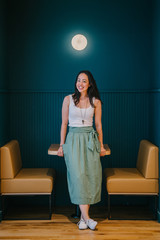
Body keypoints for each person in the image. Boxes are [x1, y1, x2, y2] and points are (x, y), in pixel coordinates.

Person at [57, 70, 106, 230]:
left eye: (84, 81)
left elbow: (98, 125)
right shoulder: (68, 99)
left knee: (90, 176)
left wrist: (101, 145)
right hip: (73, 139)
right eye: (78, 80)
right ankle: (88, 218)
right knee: (77, 177)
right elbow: (64, 123)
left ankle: (83, 220)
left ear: (90, 84)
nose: (80, 83)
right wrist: (61, 145)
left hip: (90, 140)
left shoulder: (95, 101)